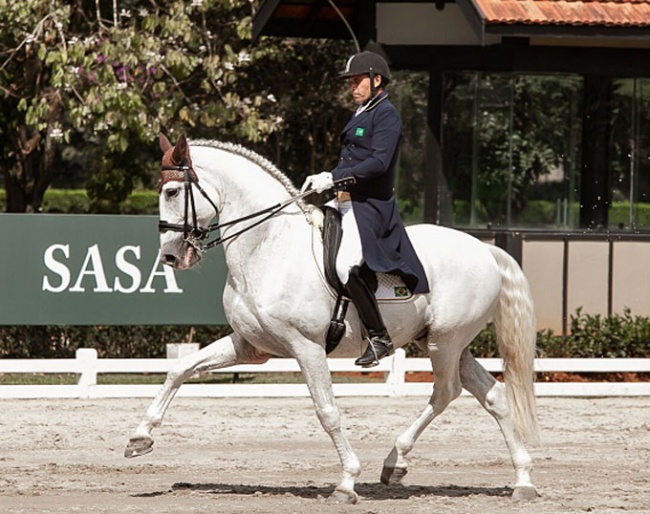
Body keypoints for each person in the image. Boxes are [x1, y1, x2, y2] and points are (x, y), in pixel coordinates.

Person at [302, 51, 430, 367]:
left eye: (357, 80)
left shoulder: (387, 115)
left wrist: (332, 176)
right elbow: (350, 159)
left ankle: (379, 336)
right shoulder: (362, 112)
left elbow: (377, 163)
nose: (352, 87)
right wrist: (325, 181)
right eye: (351, 82)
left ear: (376, 80)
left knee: (346, 266)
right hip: (343, 200)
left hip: (368, 206)